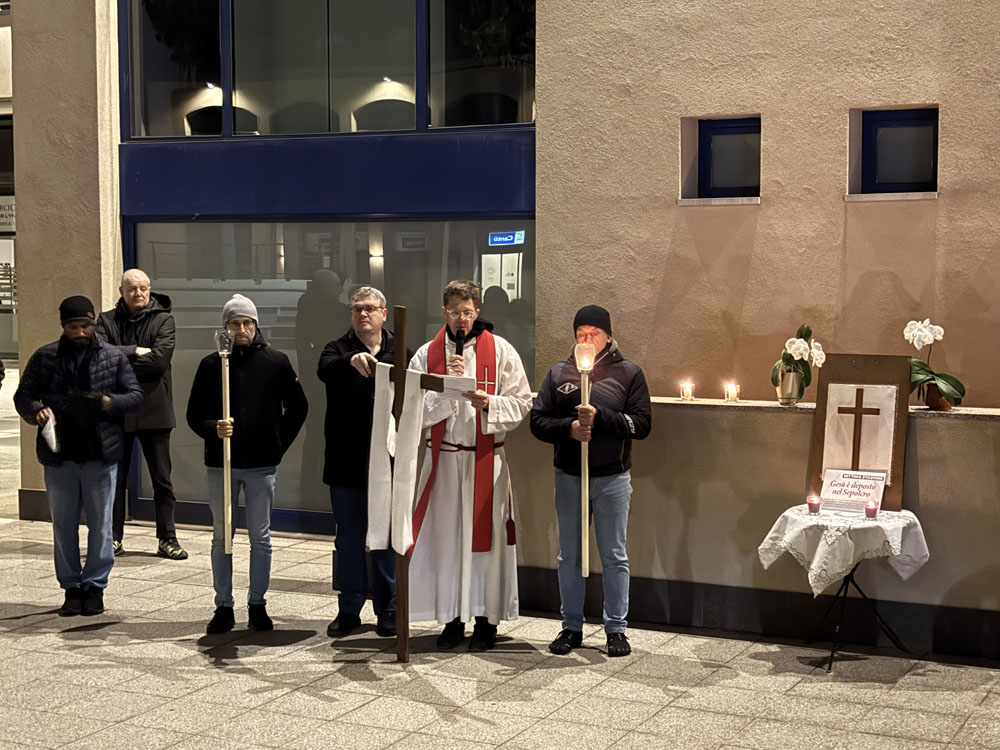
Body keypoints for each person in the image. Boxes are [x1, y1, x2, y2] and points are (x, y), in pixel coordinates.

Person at [408, 279, 531, 651]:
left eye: (467, 312)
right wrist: (449, 388)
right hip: (444, 460)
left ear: (477, 311)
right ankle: (452, 619)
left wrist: (489, 403)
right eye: (454, 312)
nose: (461, 319)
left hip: (485, 461)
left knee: (485, 545)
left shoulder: (501, 350)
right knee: (447, 542)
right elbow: (412, 410)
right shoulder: (426, 355)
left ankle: (485, 621)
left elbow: (522, 402)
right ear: (443, 312)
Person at [530, 305, 651, 657]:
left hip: (612, 478)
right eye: (581, 334)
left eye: (594, 333)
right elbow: (538, 421)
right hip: (570, 477)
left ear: (608, 337)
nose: (587, 339)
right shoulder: (558, 373)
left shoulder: (629, 374)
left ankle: (616, 629)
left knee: (614, 555)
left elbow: (642, 424)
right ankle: (571, 625)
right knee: (570, 554)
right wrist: (568, 428)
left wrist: (602, 418)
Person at [14, 295, 143, 616]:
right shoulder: (45, 356)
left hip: (101, 454)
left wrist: (107, 402)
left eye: (86, 326)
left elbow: (135, 396)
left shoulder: (113, 357)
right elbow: (23, 396)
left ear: (93, 323)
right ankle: (71, 586)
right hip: (60, 455)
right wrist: (36, 411)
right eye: (73, 327)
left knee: (101, 525)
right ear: (63, 326)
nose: (81, 332)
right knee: (63, 524)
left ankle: (95, 586)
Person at [186, 294, 308, 633]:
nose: (241, 329)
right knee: (222, 536)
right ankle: (223, 605)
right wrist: (214, 428)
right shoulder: (211, 365)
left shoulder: (275, 361)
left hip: (260, 464)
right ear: (225, 327)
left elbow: (298, 407)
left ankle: (257, 604)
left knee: (260, 537)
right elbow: (193, 415)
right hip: (221, 463)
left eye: (247, 323)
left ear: (256, 325)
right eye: (234, 323)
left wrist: (277, 444)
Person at [318, 286, 410, 639]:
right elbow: (325, 369)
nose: (363, 314)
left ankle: (388, 608)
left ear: (384, 313)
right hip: (346, 462)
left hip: (387, 461)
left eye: (370, 308)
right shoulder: (336, 349)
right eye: (357, 308)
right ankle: (349, 608)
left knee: (385, 538)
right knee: (350, 539)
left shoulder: (400, 351)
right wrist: (350, 361)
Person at [96, 269, 186, 560]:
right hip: (117, 411)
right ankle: (113, 539)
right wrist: (135, 350)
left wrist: (119, 362)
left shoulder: (164, 320)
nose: (138, 293)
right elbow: (99, 356)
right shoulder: (106, 320)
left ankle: (167, 539)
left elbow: (158, 363)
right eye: (132, 288)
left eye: (143, 288)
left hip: (154, 410)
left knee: (162, 480)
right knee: (114, 480)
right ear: (121, 291)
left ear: (149, 289)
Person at [295, 269, 351, 507]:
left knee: (315, 434)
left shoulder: (306, 306)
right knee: (325, 432)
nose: (339, 290)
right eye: (336, 286)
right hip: (325, 380)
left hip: (311, 379)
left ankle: (310, 480)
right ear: (327, 288)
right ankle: (323, 481)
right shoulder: (330, 311)